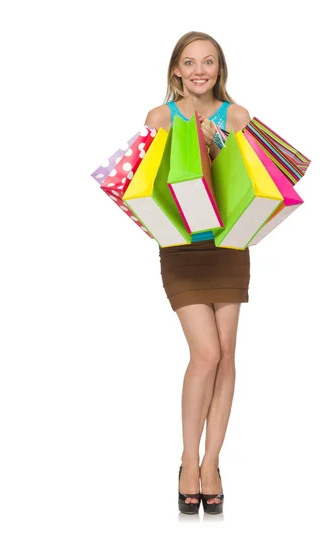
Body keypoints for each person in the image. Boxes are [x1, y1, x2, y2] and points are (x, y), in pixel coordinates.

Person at [143, 31, 251, 515]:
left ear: (219, 70)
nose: (200, 70)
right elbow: (149, 183)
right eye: (190, 62)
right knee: (205, 352)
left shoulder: (239, 117)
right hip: (183, 246)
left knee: (226, 354)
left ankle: (212, 464)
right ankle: (188, 461)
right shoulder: (161, 117)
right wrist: (189, 143)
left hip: (229, 244)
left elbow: (251, 182)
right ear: (176, 72)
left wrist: (221, 144)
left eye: (209, 62)